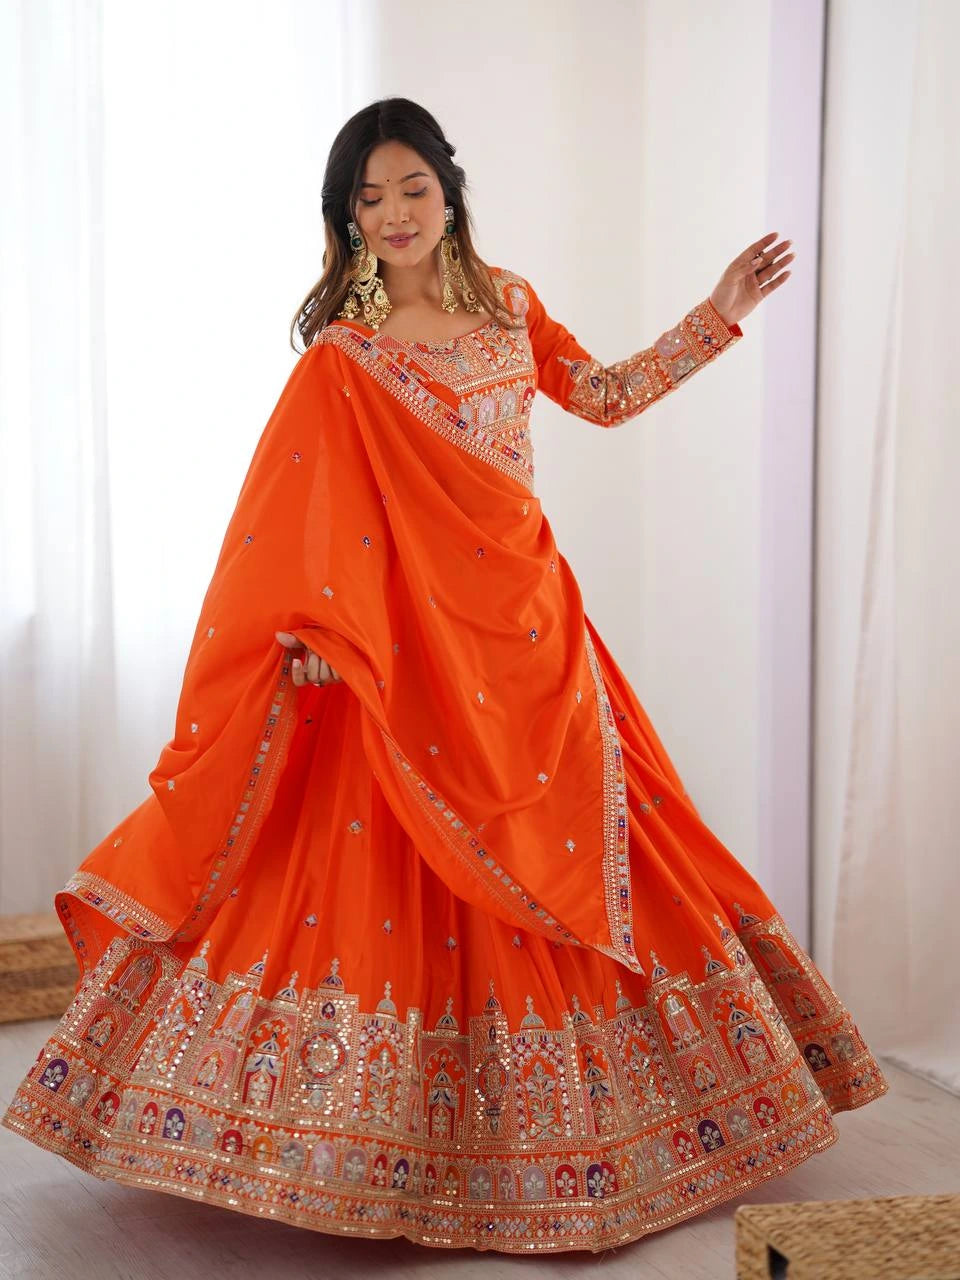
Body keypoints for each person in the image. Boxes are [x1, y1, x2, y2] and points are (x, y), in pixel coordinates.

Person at [2, 96, 886, 1256]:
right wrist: (310, 632)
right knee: (387, 893)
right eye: (368, 197)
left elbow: (604, 397)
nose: (395, 211)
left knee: (598, 855)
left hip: (535, 642)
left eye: (411, 185)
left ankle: (618, 1129)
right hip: (410, 662)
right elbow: (292, 516)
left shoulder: (511, 304)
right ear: (347, 218)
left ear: (449, 187)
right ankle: (373, 1148)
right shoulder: (348, 353)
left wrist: (717, 315)